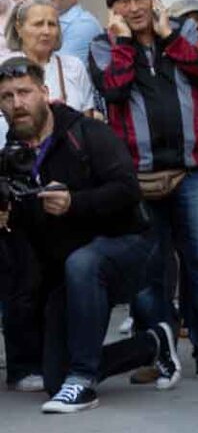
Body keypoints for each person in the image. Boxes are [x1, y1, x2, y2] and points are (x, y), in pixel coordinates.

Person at [90, 0, 198, 383]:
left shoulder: (181, 35)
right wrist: (126, 44)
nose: (133, 6)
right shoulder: (103, 45)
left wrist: (167, 35)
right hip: (137, 176)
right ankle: (153, 353)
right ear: (113, 8)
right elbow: (113, 88)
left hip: (191, 168)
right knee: (148, 271)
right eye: (123, 0)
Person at [0, 58, 183, 413]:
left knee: (84, 261)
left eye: (23, 92)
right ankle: (152, 343)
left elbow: (128, 190)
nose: (16, 103)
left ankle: (83, 382)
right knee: (54, 379)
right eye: (6, 97)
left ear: (44, 93)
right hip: (69, 270)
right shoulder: (12, 156)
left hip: (131, 248)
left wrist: (74, 202)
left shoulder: (85, 133)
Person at [3, 0, 100, 120]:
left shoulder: (74, 67)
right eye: (38, 24)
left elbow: (87, 122)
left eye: (52, 24)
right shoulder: (5, 67)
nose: (46, 31)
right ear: (19, 28)